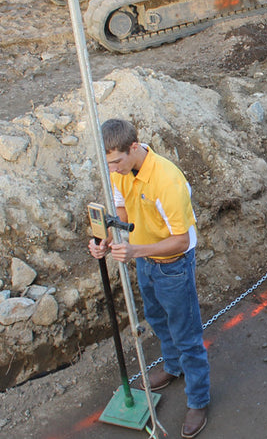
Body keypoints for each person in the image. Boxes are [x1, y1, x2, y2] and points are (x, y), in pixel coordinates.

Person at [88, 119, 210, 439]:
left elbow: (182, 241)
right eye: (108, 162)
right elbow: (123, 215)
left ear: (133, 148)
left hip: (173, 266)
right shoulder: (121, 172)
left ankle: (198, 400)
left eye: (116, 161)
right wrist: (105, 240)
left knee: (186, 334)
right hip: (145, 262)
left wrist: (136, 249)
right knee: (156, 319)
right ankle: (172, 367)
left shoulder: (168, 181)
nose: (112, 169)